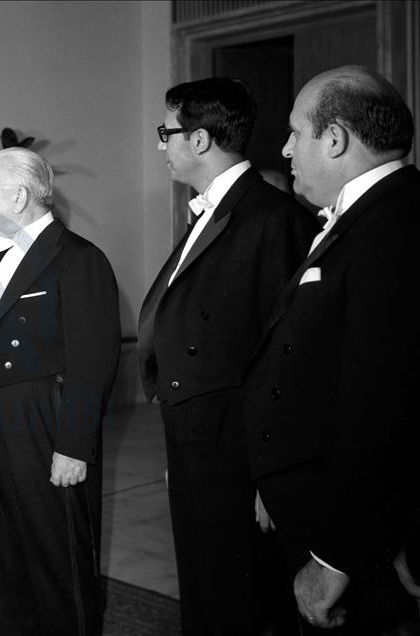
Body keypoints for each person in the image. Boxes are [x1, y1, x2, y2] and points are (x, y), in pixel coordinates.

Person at [137, 78, 319, 635]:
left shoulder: (272, 218)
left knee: (240, 598)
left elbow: (289, 357)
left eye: (165, 133)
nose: (160, 146)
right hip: (199, 438)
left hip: (240, 449)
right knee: (207, 586)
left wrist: (272, 477)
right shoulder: (211, 212)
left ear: (198, 140)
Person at [244, 65, 420, 634]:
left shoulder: (396, 226)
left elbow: (384, 411)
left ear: (336, 138)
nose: (285, 148)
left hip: (357, 535)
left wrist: (332, 558)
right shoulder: (364, 216)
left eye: (296, 132)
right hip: (314, 503)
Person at [0, 147, 121, 634]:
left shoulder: (78, 260)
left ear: (20, 195)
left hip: (40, 424)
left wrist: (73, 446)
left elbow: (93, 360)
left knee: (55, 557)